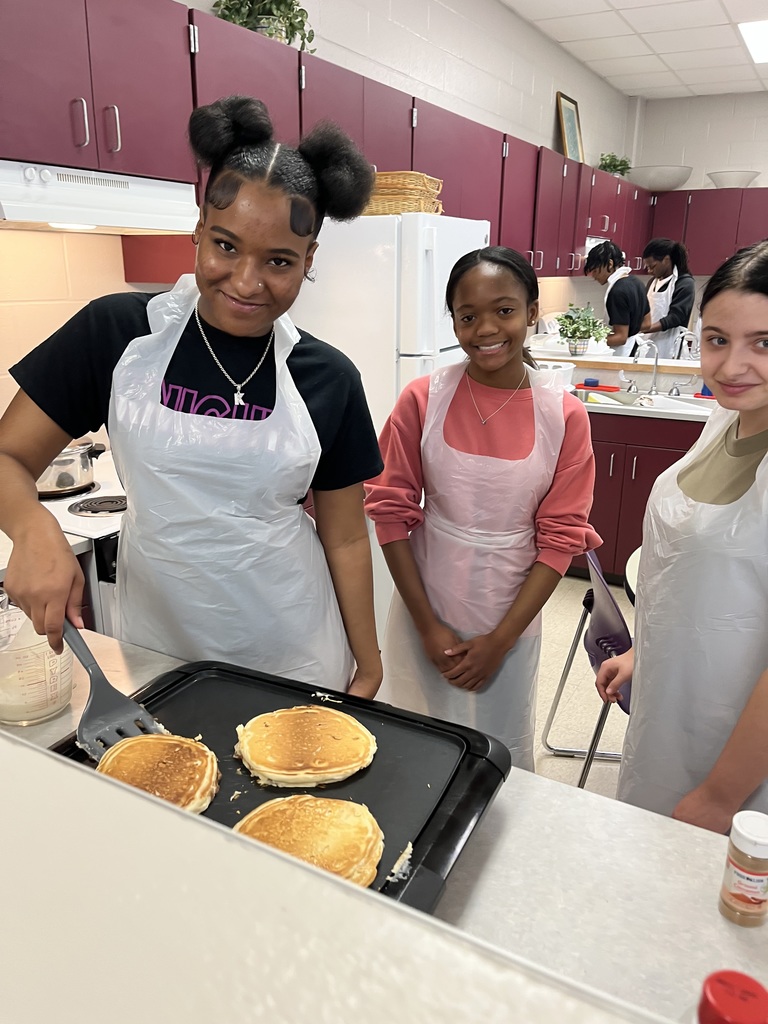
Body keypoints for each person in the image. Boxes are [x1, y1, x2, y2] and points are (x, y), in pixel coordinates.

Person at [0, 95, 384, 698]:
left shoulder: (328, 377)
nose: (247, 282)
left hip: (292, 643)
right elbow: (8, 458)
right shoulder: (119, 333)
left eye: (279, 260)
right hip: (157, 638)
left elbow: (344, 535)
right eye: (226, 246)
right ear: (199, 231)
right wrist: (31, 526)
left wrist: (368, 662)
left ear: (309, 260)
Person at [364, 247, 600, 768]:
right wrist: (427, 626)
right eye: (468, 316)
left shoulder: (564, 415)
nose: (486, 328)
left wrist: (499, 641)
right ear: (453, 321)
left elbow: (561, 538)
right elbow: (389, 512)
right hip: (426, 602)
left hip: (509, 615)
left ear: (533, 312)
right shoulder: (422, 398)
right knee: (416, 742)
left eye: (505, 310)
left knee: (496, 754)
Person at [597, 239, 768, 828]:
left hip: (738, 754)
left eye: (763, 343)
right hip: (673, 705)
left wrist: (723, 797)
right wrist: (648, 655)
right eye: (717, 339)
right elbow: (702, 581)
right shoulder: (728, 419)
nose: (732, 365)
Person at [585, 240, 650, 358]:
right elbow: (647, 324)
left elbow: (620, 338)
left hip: (622, 354)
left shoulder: (617, 291)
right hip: (634, 350)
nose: (593, 276)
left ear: (610, 264)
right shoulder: (636, 282)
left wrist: (590, 341)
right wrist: (631, 328)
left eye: (595, 271)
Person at [639, 237, 696, 359]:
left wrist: (645, 328)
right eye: (647, 267)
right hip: (647, 344)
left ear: (666, 259)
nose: (649, 271)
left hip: (670, 346)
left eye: (652, 266)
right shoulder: (652, 283)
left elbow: (676, 317)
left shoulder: (684, 283)